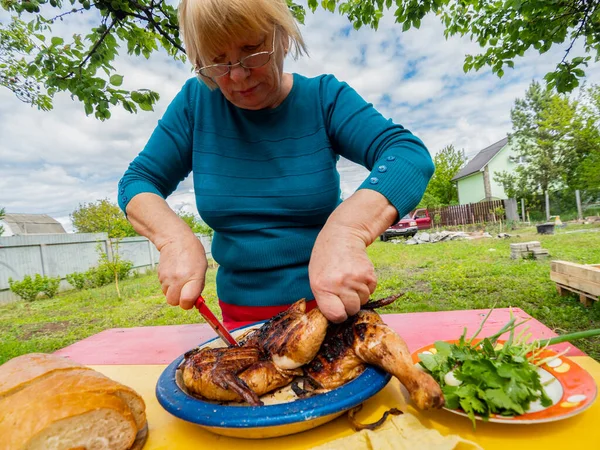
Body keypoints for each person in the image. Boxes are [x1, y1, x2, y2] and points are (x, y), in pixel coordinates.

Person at [118, 0, 434, 328]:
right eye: (217, 62)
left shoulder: (324, 98)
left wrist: (347, 230)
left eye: (252, 50)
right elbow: (137, 181)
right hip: (240, 323)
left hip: (331, 311)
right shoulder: (195, 103)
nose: (238, 75)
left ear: (282, 36)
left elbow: (407, 154)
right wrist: (172, 238)